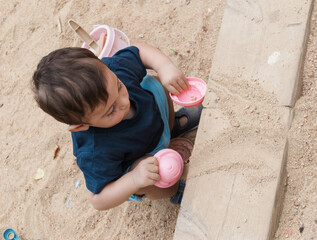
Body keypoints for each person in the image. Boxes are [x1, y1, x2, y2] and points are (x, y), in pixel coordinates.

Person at [32, 42, 203, 210]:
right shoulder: (94, 151)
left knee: (156, 83)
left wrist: (164, 66)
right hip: (142, 158)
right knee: (156, 179)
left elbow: (138, 50)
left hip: (152, 117)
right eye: (109, 110)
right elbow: (98, 200)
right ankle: (173, 192)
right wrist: (135, 179)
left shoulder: (110, 72)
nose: (123, 102)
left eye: (119, 86)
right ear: (81, 126)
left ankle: (170, 131)